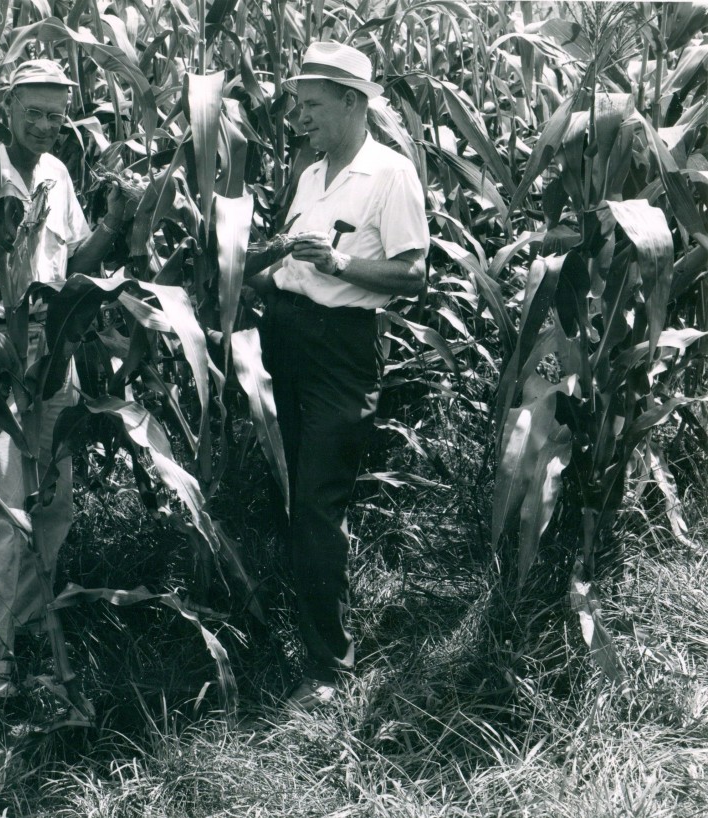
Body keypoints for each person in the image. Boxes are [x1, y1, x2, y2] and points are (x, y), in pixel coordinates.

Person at [0, 59, 133, 704]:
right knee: (3, 509)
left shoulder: (58, 172)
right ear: (5, 106)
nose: (46, 126)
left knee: (54, 502)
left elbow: (73, 267)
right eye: (33, 112)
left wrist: (116, 225)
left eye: (56, 115)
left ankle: (30, 624)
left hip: (50, 353)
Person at [246, 41, 430, 711]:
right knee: (287, 495)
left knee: (318, 505)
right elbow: (292, 262)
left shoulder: (390, 175)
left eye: (312, 105)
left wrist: (338, 266)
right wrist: (245, 275)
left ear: (354, 103)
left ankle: (327, 671)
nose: (298, 116)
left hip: (339, 352)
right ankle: (295, 632)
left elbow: (414, 274)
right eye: (297, 104)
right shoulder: (311, 171)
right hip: (284, 337)